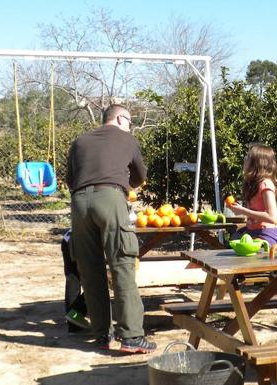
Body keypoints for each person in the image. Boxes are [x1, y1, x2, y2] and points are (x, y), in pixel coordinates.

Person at [66, 104, 156, 354]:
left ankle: (102, 335)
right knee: (122, 265)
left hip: (79, 203)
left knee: (90, 271)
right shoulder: (127, 139)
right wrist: (122, 183)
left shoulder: (80, 141)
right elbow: (139, 177)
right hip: (111, 198)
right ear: (119, 118)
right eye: (130, 121)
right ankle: (131, 336)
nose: (131, 126)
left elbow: (71, 180)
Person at [227, 143, 277, 246]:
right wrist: (238, 209)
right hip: (252, 232)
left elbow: (272, 217)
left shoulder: (266, 184)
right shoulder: (252, 184)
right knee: (233, 243)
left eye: (247, 157)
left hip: (265, 234)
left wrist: (243, 211)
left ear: (257, 163)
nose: (244, 159)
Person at [60, 229, 90, 332]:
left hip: (69, 237)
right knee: (97, 282)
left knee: (73, 281)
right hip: (86, 240)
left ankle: (74, 324)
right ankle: (75, 317)